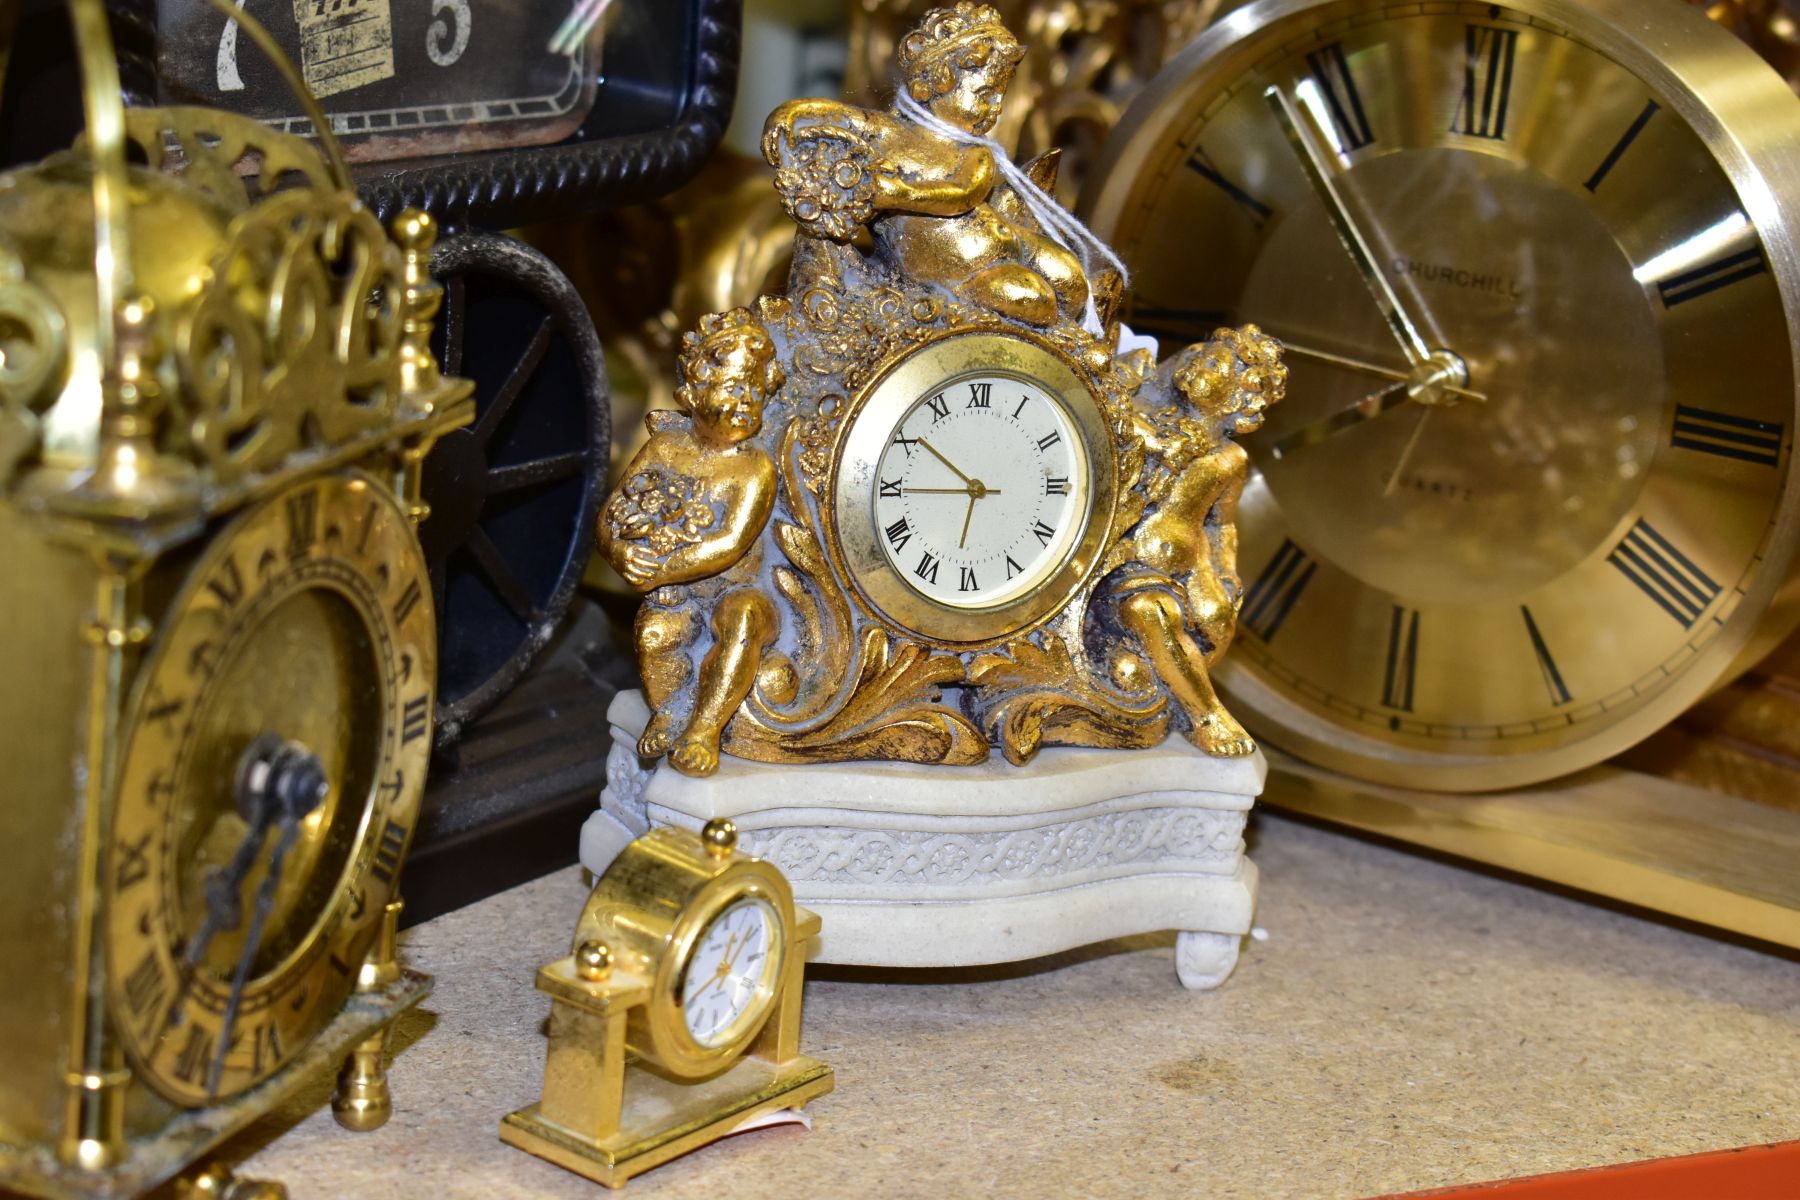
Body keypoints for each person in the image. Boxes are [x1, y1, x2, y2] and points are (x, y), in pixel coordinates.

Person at [761, 2, 1089, 328]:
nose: (995, 108)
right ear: (939, 80)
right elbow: (842, 117)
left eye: (999, 98)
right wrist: (788, 115)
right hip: (968, 277)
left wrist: (895, 192)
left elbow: (962, 192)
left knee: (1073, 284)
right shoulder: (886, 134)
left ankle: (1075, 333)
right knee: (1037, 302)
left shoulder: (975, 152)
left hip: (1013, 243)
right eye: (986, 93)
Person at [597, 309, 784, 777]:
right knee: (654, 635)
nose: (746, 401)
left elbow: (729, 543)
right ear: (694, 392)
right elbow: (610, 514)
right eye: (733, 387)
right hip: (675, 591)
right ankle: (669, 710)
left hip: (740, 589)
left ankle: (704, 729)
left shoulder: (752, 468)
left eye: (755, 390)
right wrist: (621, 551)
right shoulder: (665, 449)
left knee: (740, 622)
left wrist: (663, 568)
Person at [1099, 325, 1288, 757]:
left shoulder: (1229, 458)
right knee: (1148, 612)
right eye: (1204, 349)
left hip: (1190, 569)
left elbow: (1221, 525)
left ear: (1238, 401)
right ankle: (1206, 715)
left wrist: (1224, 571)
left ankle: (1164, 679)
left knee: (1214, 621)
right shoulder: (1138, 412)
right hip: (1125, 562)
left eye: (1219, 364)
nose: (1201, 357)